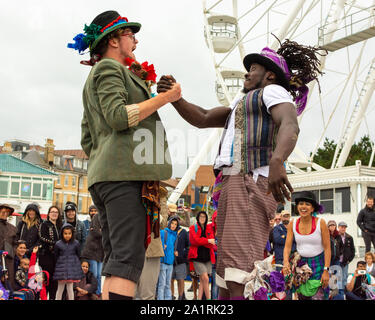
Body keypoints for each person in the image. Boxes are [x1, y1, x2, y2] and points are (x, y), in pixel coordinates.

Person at [157, 39, 325, 299]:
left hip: (247, 181)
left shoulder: (272, 92)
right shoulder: (244, 104)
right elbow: (201, 118)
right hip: (233, 180)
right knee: (226, 275)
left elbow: (290, 124)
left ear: (270, 75)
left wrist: (278, 160)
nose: (247, 72)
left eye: (254, 68)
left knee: (240, 272)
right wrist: (176, 99)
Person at [68, 10, 181, 300]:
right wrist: (165, 98)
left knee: (118, 261)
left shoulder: (98, 76)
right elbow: (118, 117)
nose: (135, 40)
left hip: (107, 177)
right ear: (114, 40)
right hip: (123, 178)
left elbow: (87, 137)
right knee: (128, 262)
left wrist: (107, 161)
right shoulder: (109, 69)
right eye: (130, 34)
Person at [283, 191, 331, 300]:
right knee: (301, 296)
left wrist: (326, 270)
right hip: (301, 266)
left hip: (318, 265)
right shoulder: (293, 223)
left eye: (307, 204)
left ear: (313, 208)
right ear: (297, 206)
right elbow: (287, 246)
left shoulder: (321, 223)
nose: (303, 207)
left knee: (319, 297)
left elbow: (328, 248)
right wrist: (286, 262)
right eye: (301, 203)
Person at [136, 186, 168, 300]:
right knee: (130, 293)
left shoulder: (160, 195)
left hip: (151, 250)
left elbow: (163, 223)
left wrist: (152, 209)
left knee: (147, 294)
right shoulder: (132, 190)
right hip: (131, 248)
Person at [188, 211, 216, 300]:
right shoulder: (193, 228)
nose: (202, 218)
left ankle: (199, 299)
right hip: (197, 258)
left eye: (204, 216)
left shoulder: (209, 228)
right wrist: (207, 241)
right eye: (200, 216)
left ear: (206, 218)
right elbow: (194, 241)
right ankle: (208, 299)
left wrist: (202, 241)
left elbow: (212, 244)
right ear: (198, 217)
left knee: (203, 279)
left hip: (207, 258)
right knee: (206, 278)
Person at [54, 223, 84, 300]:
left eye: (69, 233)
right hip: (61, 270)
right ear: (62, 233)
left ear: (72, 234)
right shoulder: (58, 244)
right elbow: (56, 256)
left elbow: (78, 255)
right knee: (60, 289)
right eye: (65, 233)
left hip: (71, 269)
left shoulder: (76, 243)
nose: (67, 235)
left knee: (70, 289)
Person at [38, 205, 62, 300]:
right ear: (48, 214)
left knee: (54, 281)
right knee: (46, 280)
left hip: (56, 258)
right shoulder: (44, 224)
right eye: (52, 212)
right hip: (45, 256)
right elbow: (42, 237)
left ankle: (52, 298)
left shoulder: (60, 226)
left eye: (56, 212)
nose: (54, 214)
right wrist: (56, 243)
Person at [80, 205, 104, 297]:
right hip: (91, 252)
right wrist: (103, 231)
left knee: (99, 275)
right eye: (92, 210)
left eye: (95, 210)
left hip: (101, 253)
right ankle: (92, 293)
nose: (93, 212)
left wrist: (102, 231)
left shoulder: (104, 217)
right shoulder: (96, 217)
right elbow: (97, 232)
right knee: (94, 274)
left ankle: (97, 294)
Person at [157, 217, 179, 300]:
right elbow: (157, 244)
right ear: (169, 223)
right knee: (161, 284)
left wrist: (175, 252)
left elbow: (173, 247)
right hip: (162, 262)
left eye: (175, 224)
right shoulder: (163, 232)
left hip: (170, 263)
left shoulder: (175, 235)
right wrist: (162, 247)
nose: (173, 225)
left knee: (168, 284)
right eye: (172, 223)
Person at [170, 215, 189, 300]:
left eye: (177, 221)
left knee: (180, 280)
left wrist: (181, 254)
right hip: (170, 261)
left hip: (181, 261)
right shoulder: (168, 231)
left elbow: (188, 247)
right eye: (173, 222)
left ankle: (181, 297)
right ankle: (171, 296)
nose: (175, 224)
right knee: (170, 280)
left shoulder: (184, 232)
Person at [0, 203, 17, 290]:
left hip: (8, 260)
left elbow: (16, 244)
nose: (5, 213)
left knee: (8, 284)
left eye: (7, 212)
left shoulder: (13, 228)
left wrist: (11, 252)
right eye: (3, 211)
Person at [337, 221, 355, 287]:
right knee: (337, 278)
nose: (343, 229)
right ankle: (338, 294)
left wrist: (349, 260)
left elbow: (353, 250)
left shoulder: (349, 237)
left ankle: (343, 293)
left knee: (344, 278)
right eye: (342, 227)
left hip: (345, 262)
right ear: (338, 227)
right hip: (337, 261)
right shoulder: (335, 236)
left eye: (344, 227)